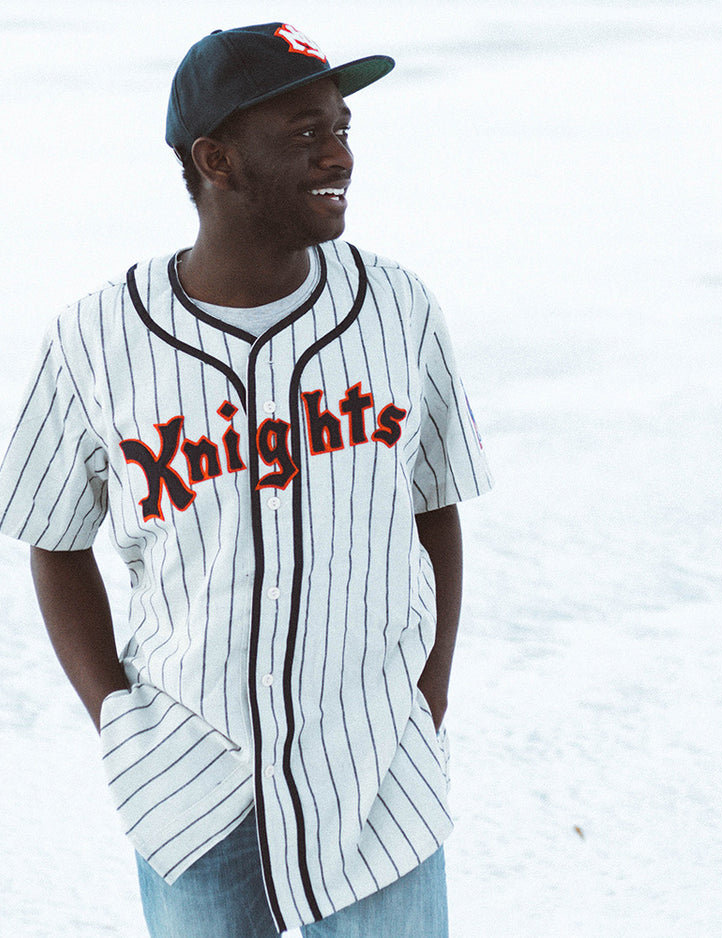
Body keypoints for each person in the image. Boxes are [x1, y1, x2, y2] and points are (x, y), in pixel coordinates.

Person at [0, 22, 493, 938]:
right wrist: (116, 719)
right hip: (190, 783)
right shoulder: (95, 341)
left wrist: (430, 696)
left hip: (375, 774)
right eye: (306, 134)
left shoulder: (398, 310)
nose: (340, 153)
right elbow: (53, 539)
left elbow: (436, 506)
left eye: (343, 127)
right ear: (216, 159)